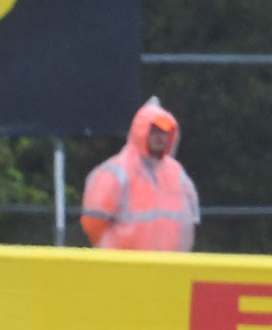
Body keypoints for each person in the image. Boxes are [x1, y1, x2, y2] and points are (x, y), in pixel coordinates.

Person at [81, 97, 199, 251]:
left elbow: (190, 220)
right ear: (141, 131)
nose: (159, 137)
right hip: (125, 267)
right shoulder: (115, 171)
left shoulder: (176, 173)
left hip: (169, 267)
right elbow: (93, 223)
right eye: (154, 130)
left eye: (164, 132)